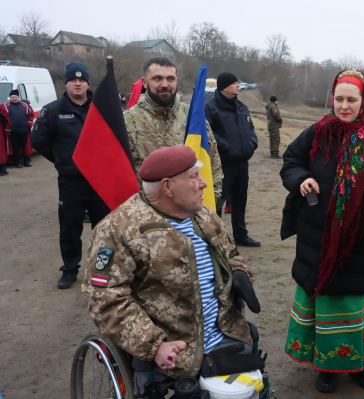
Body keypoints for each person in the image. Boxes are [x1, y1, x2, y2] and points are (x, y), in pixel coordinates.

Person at [82, 145, 264, 397]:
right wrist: (154, 345)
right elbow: (104, 298)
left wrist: (239, 272)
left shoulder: (204, 215)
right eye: (193, 177)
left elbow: (231, 254)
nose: (204, 184)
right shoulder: (118, 229)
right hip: (173, 350)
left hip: (225, 332)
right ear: (167, 187)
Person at [281, 69, 364, 393]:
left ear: (363, 101)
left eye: (351, 99)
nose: (343, 105)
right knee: (323, 303)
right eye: (338, 99)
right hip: (318, 236)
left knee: (353, 304)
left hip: (361, 239)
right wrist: (301, 179)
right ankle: (325, 365)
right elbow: (291, 160)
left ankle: (358, 363)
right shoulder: (318, 132)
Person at [31, 62, 111, 289]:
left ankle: (101, 270)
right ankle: (69, 270)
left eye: (82, 80)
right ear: (65, 83)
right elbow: (38, 141)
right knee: (70, 227)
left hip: (100, 181)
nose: (78, 83)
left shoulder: (102, 107)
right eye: (73, 80)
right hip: (71, 182)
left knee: (103, 229)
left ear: (87, 83)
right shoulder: (53, 110)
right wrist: (62, 160)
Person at [124, 57, 223, 205]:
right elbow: (121, 175)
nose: (165, 84)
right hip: (147, 213)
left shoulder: (193, 118)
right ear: (145, 82)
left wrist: (208, 203)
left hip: (192, 211)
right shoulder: (128, 121)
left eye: (170, 79)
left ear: (176, 81)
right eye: (157, 78)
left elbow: (212, 161)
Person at [205, 72, 260, 247]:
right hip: (222, 163)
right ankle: (218, 237)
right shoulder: (210, 107)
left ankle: (241, 235)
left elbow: (250, 127)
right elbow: (209, 133)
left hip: (242, 162)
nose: (238, 85)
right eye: (234, 83)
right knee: (219, 200)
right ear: (223, 87)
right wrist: (228, 148)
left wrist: (252, 143)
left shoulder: (242, 106)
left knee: (240, 199)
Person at [2, 90, 35, 168]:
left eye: (15, 97)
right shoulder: (5, 106)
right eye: (12, 97)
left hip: (24, 130)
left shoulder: (25, 106)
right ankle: (19, 162)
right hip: (12, 131)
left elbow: (31, 114)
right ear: (10, 98)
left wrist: (29, 124)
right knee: (15, 147)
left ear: (18, 97)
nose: (14, 98)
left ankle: (27, 161)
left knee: (25, 146)